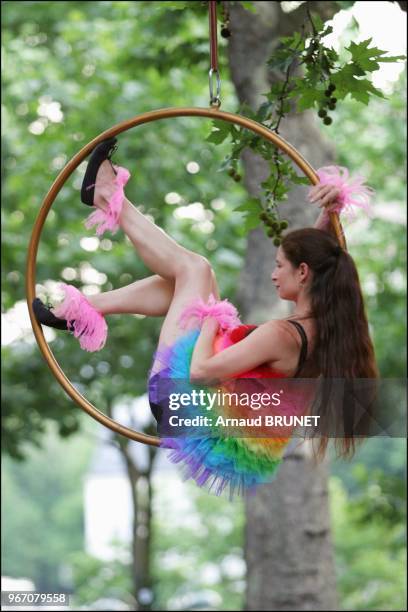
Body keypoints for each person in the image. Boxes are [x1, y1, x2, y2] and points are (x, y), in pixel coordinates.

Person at [33, 139, 378, 498]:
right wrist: (331, 210)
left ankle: (106, 197)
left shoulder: (280, 335)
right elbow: (325, 259)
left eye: (279, 266)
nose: (274, 275)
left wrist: (212, 317)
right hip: (212, 414)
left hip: (183, 401)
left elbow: (200, 373)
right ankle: (86, 308)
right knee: (193, 279)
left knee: (195, 270)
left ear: (302, 273)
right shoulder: (324, 325)